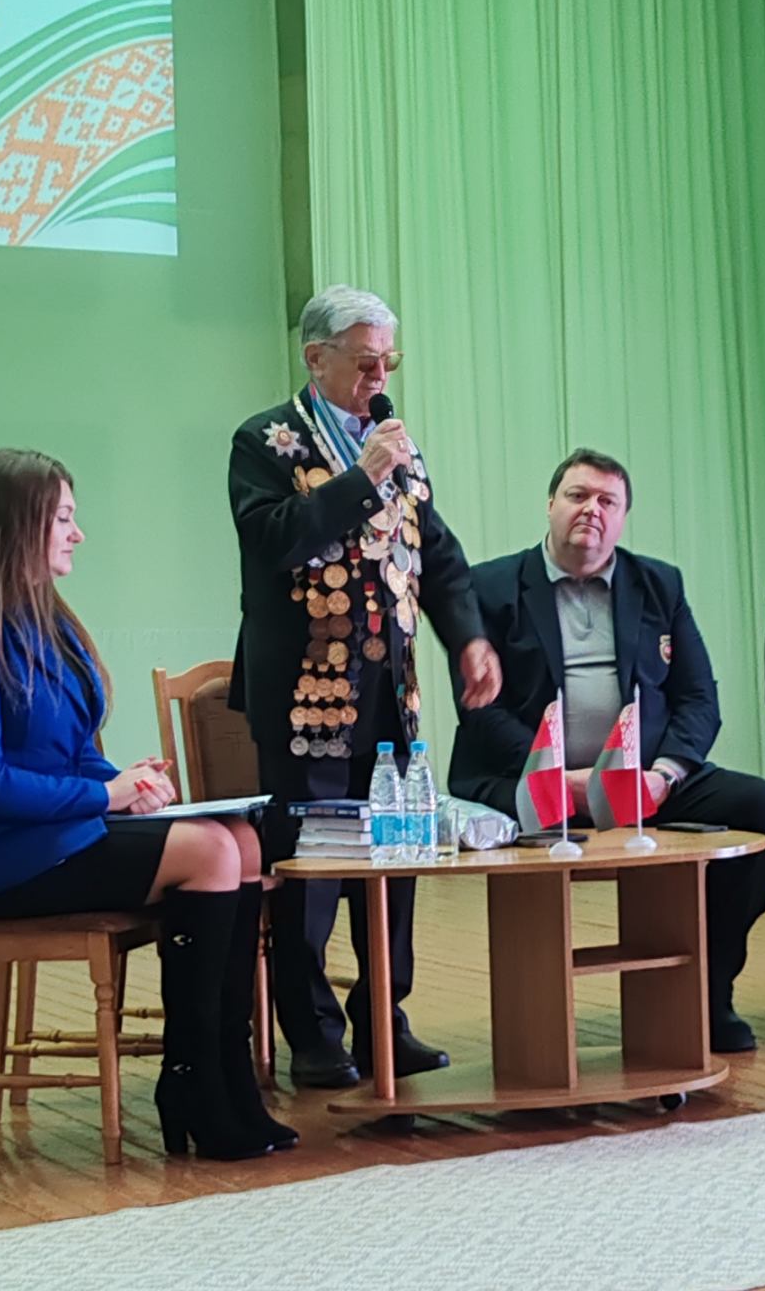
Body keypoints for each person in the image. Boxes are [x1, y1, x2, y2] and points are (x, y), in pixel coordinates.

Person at [0, 448, 293, 1160]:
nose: (77, 533)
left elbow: (75, 748)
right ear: (17, 524)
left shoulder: (47, 620)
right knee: (212, 850)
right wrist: (104, 795)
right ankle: (193, 1080)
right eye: (63, 518)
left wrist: (128, 785)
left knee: (239, 838)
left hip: (57, 832)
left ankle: (226, 1075)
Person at [228, 284, 502, 1089]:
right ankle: (313, 1033)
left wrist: (468, 638)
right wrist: (361, 477)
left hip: (390, 691)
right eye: (364, 362)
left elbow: (436, 552)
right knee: (312, 866)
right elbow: (271, 541)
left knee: (396, 856)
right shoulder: (266, 441)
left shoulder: (396, 443)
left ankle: (385, 1017)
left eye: (388, 361)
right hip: (304, 694)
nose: (379, 378)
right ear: (315, 358)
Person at [449, 448, 765, 1053]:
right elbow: (479, 710)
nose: (592, 510)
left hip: (642, 782)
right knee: (512, 819)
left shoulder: (658, 583)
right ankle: (535, 1025)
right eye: (578, 495)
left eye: (608, 501)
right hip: (528, 781)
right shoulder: (490, 586)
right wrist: (562, 776)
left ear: (624, 517)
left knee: (760, 806)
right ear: (550, 505)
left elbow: (698, 698)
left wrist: (664, 775)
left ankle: (710, 991)